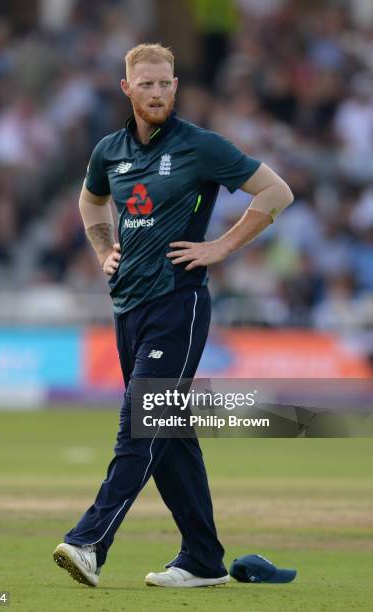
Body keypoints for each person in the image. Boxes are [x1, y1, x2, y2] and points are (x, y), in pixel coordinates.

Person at [53, 43, 293, 588]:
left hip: (178, 306)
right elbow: (91, 204)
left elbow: (277, 192)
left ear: (176, 86)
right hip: (127, 308)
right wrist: (102, 249)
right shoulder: (108, 151)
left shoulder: (200, 146)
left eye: (166, 83)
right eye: (147, 85)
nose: (158, 92)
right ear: (127, 89)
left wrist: (220, 248)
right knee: (171, 434)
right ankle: (204, 560)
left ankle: (90, 540)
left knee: (142, 422)